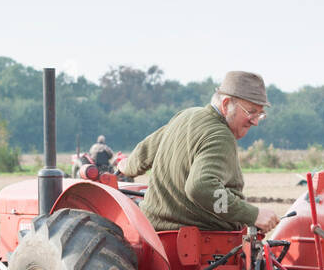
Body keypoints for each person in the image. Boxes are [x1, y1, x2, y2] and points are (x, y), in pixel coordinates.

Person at [115, 71, 278, 234]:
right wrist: (253, 215)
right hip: (199, 240)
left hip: (152, 231)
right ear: (226, 104)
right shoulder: (220, 135)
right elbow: (201, 187)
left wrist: (124, 166)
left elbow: (143, 153)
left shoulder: (186, 116)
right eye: (251, 111)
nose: (255, 121)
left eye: (260, 114)